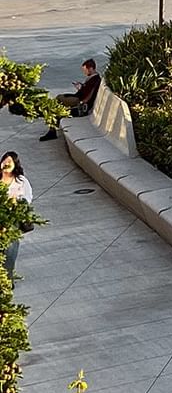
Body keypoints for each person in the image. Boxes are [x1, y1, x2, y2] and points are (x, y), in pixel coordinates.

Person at [39, 59, 101, 141]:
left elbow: (88, 95)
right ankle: (52, 130)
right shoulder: (93, 78)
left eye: (85, 70)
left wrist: (81, 93)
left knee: (57, 101)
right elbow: (87, 91)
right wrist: (81, 87)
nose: (84, 72)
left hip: (79, 102)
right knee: (56, 105)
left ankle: (52, 131)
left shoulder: (95, 79)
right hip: (79, 99)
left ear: (91, 68)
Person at [1, 152, 32, 280]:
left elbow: (27, 198)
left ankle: (7, 279)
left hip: (12, 220)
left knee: (10, 250)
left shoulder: (21, 181)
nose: (7, 163)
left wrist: (17, 202)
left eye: (10, 161)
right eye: (5, 160)